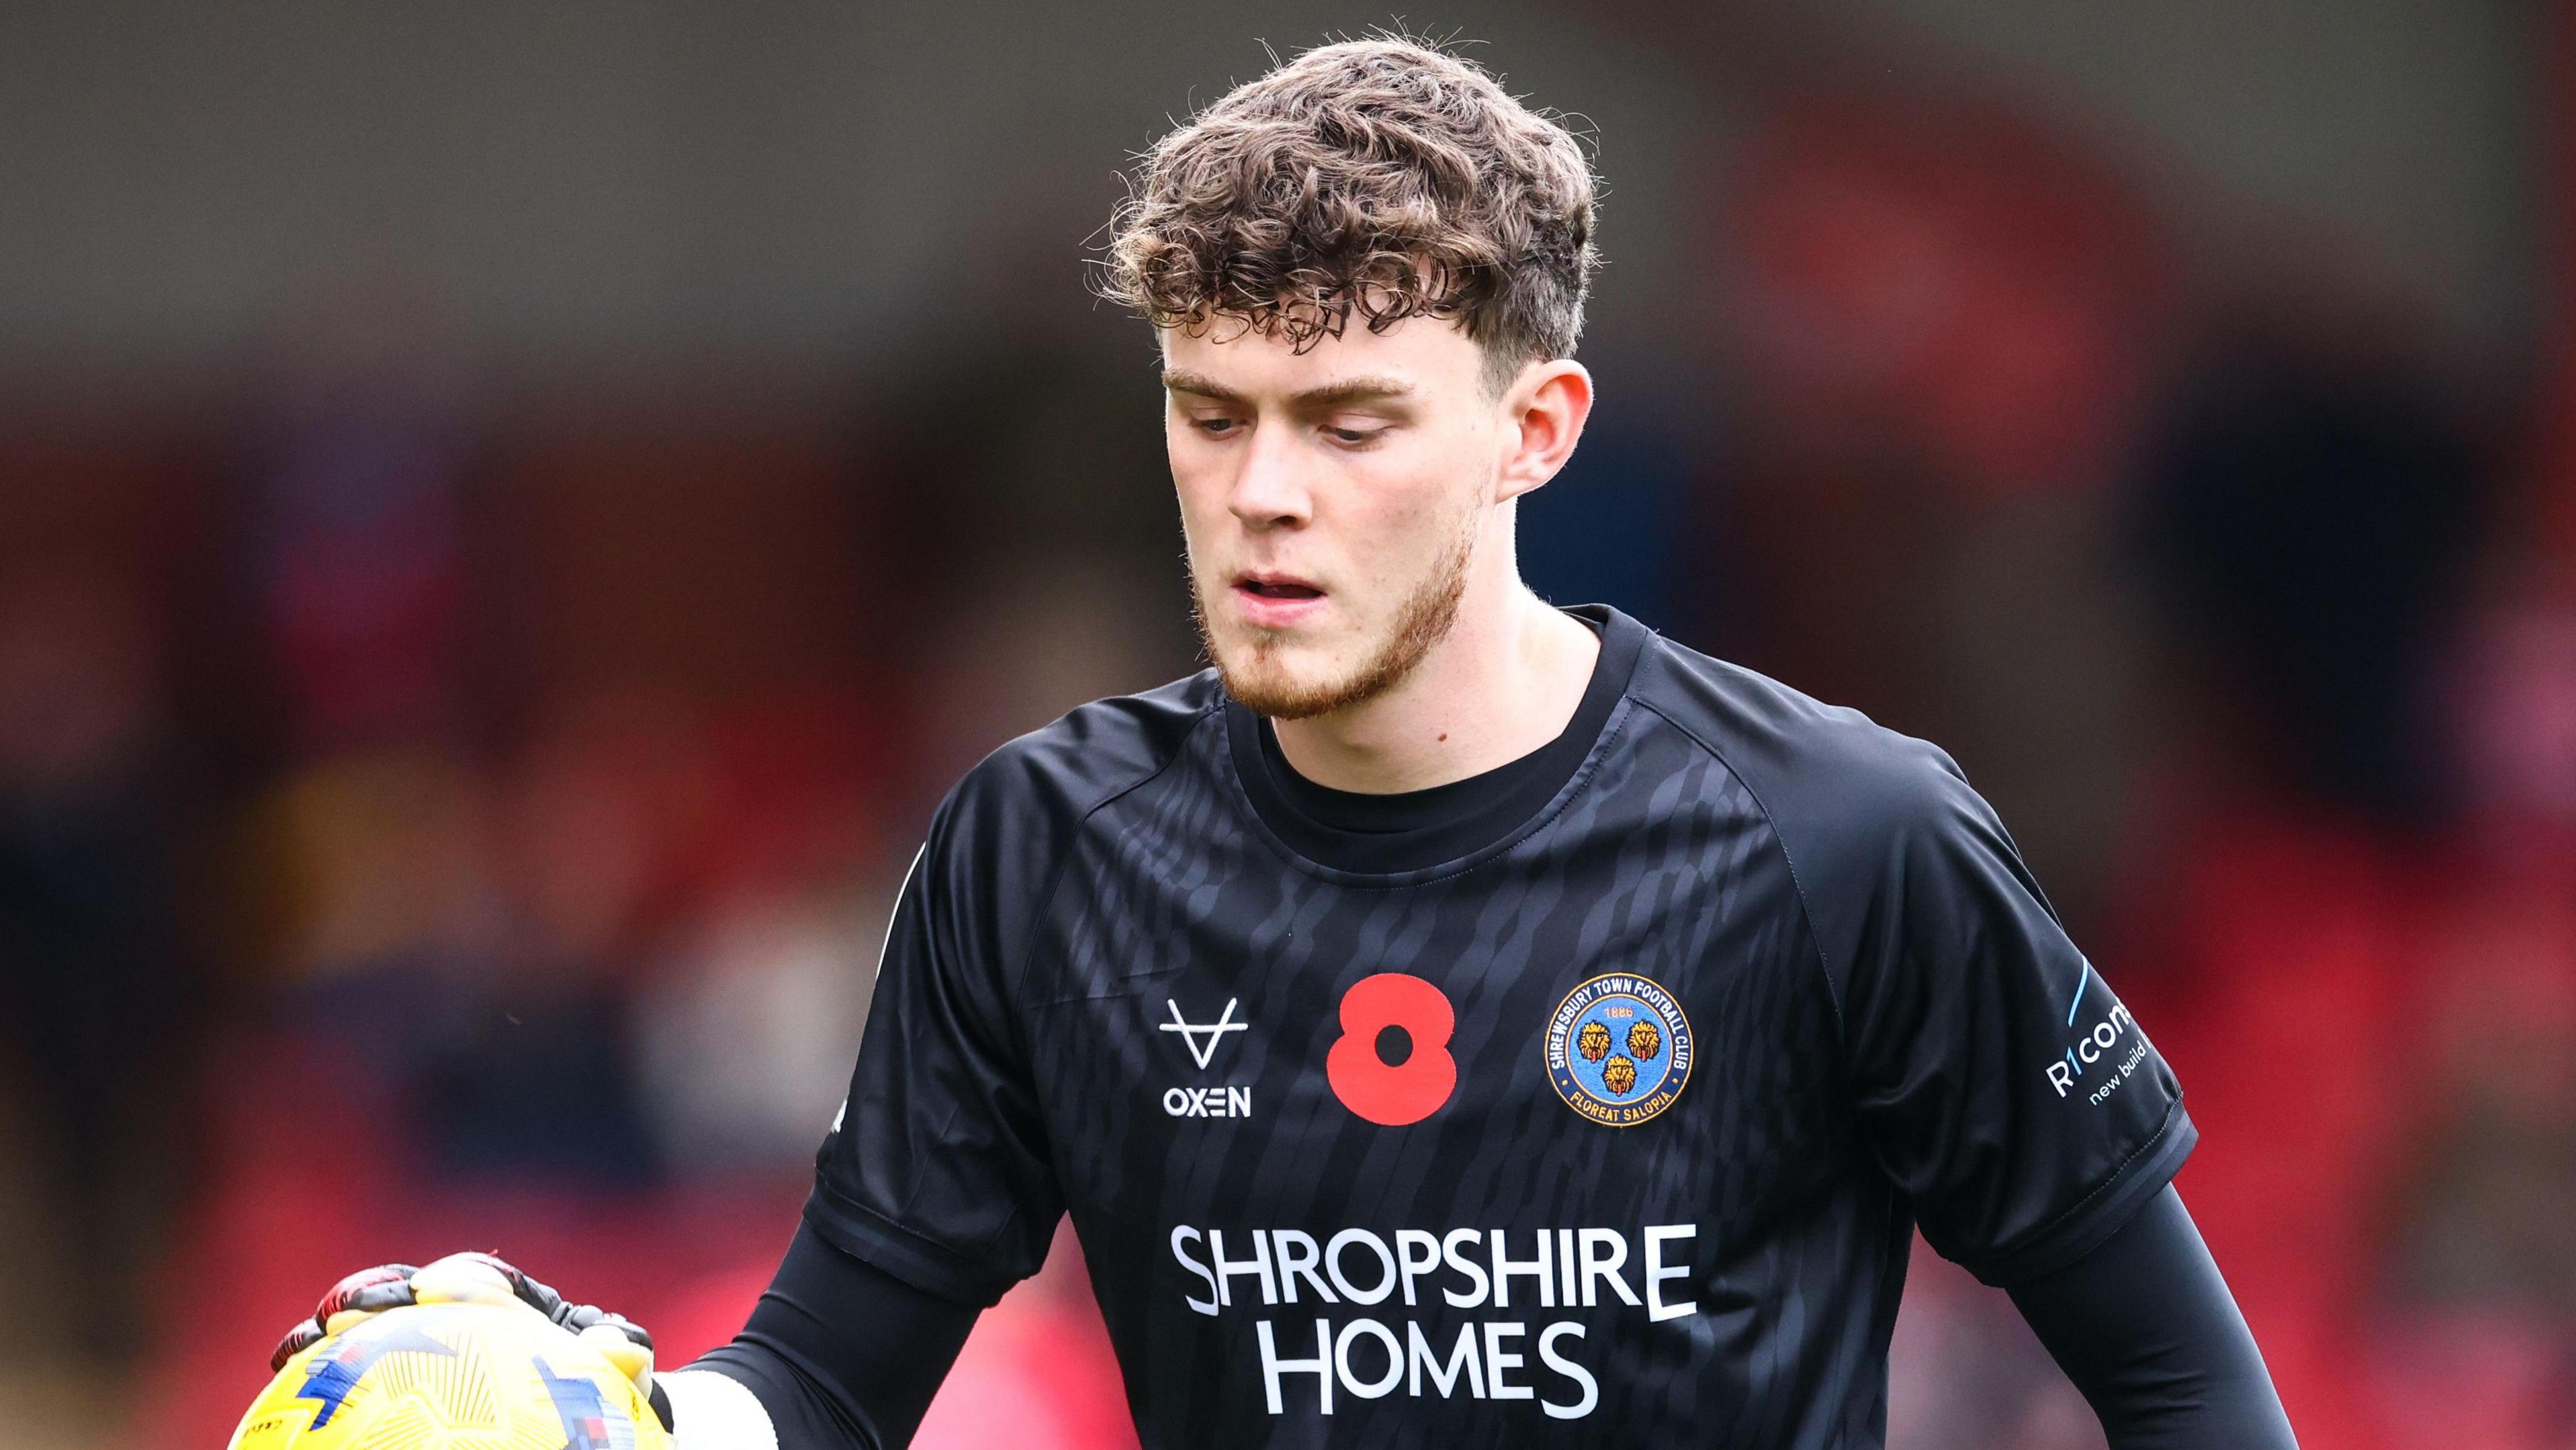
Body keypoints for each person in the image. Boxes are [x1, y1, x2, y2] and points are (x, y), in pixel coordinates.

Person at [271, 36, 2298, 1449]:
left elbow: (2188, 1390)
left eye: (1347, 427)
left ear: (1535, 432)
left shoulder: (1844, 836)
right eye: (1210, 410)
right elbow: (826, 1380)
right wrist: (607, 1427)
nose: (1259, 494)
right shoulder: (1040, 849)